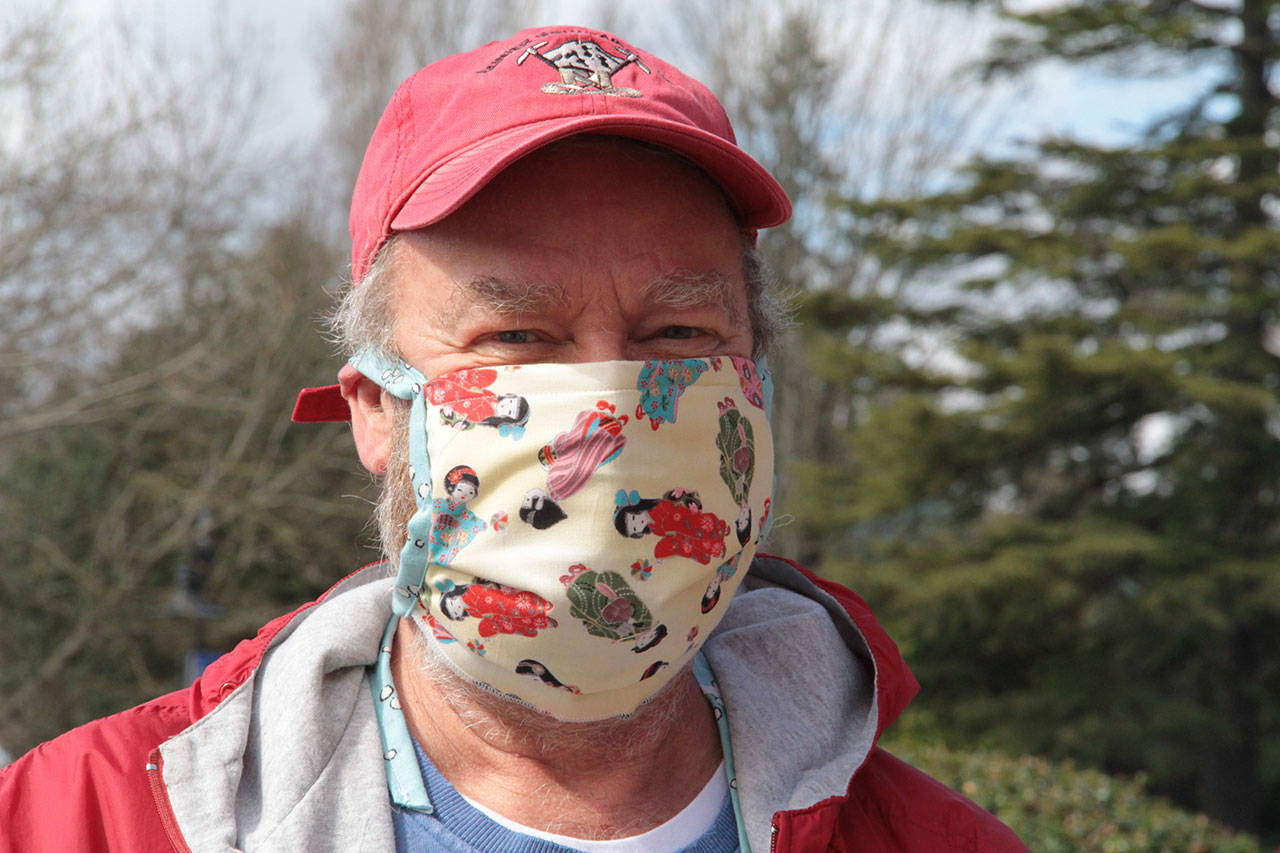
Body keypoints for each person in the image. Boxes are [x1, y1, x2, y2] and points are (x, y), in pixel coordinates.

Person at [0, 26, 1027, 852]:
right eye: (516, 339)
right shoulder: (76, 825)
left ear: (753, 388)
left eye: (676, 336)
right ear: (372, 410)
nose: (605, 406)